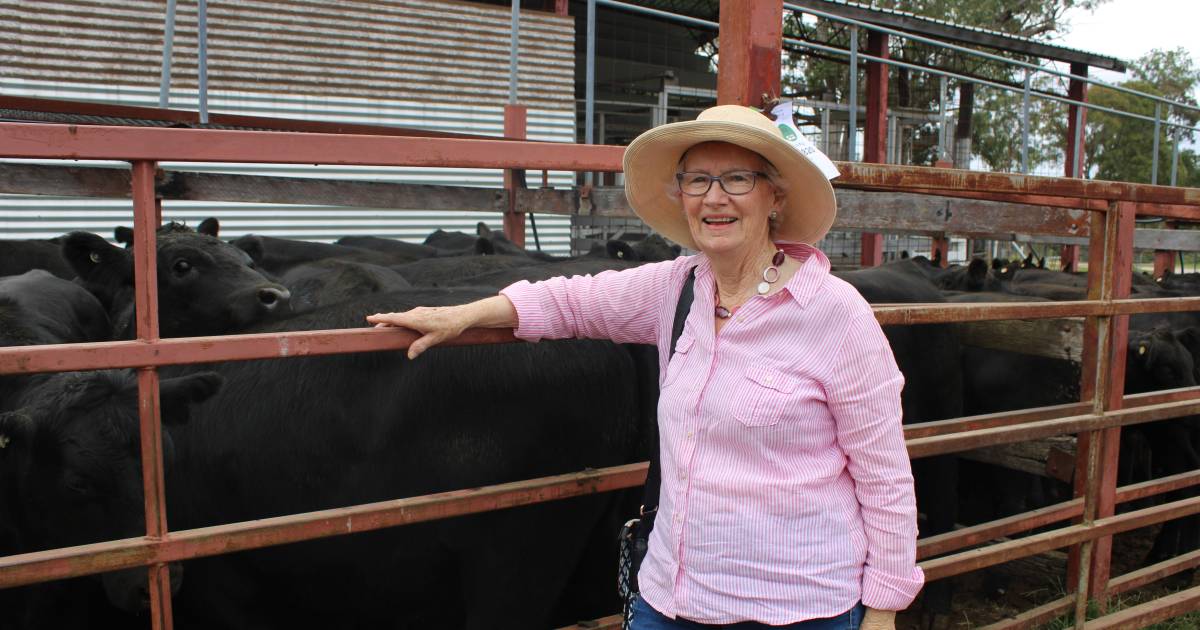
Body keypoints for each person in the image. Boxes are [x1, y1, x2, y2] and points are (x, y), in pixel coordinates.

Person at [367, 105, 923, 630]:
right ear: (681, 195)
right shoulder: (678, 288)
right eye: (697, 180)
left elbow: (885, 476)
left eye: (736, 179)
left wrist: (883, 610)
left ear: (774, 196)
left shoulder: (835, 314)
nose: (714, 198)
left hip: (797, 607)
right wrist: (467, 314)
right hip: (670, 599)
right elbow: (570, 301)